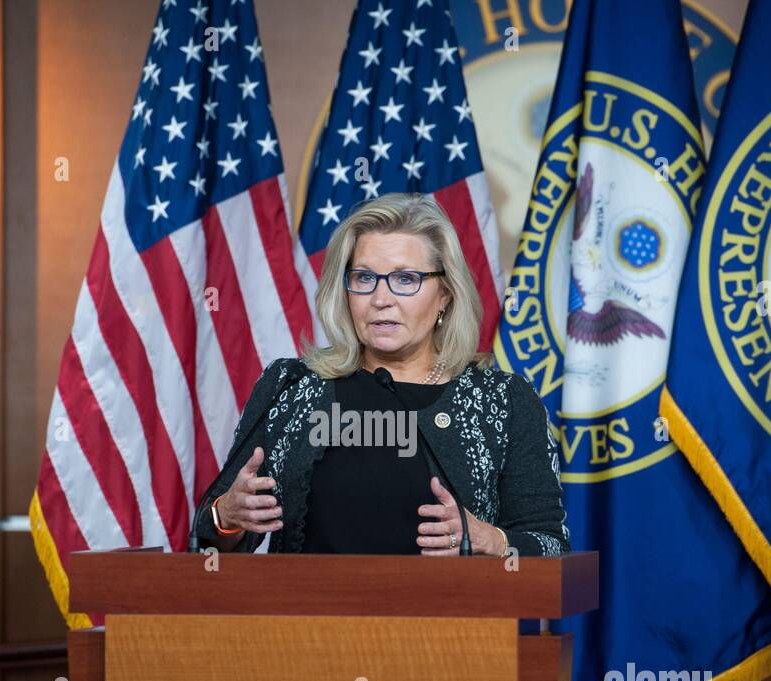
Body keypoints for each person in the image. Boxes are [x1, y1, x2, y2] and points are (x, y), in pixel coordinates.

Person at [194, 192, 568, 557]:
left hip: (447, 618)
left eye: (406, 279)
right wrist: (226, 517)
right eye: (364, 277)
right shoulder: (290, 386)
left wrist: (490, 539)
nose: (381, 298)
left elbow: (551, 547)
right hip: (303, 617)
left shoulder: (502, 400)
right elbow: (207, 542)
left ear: (446, 294)